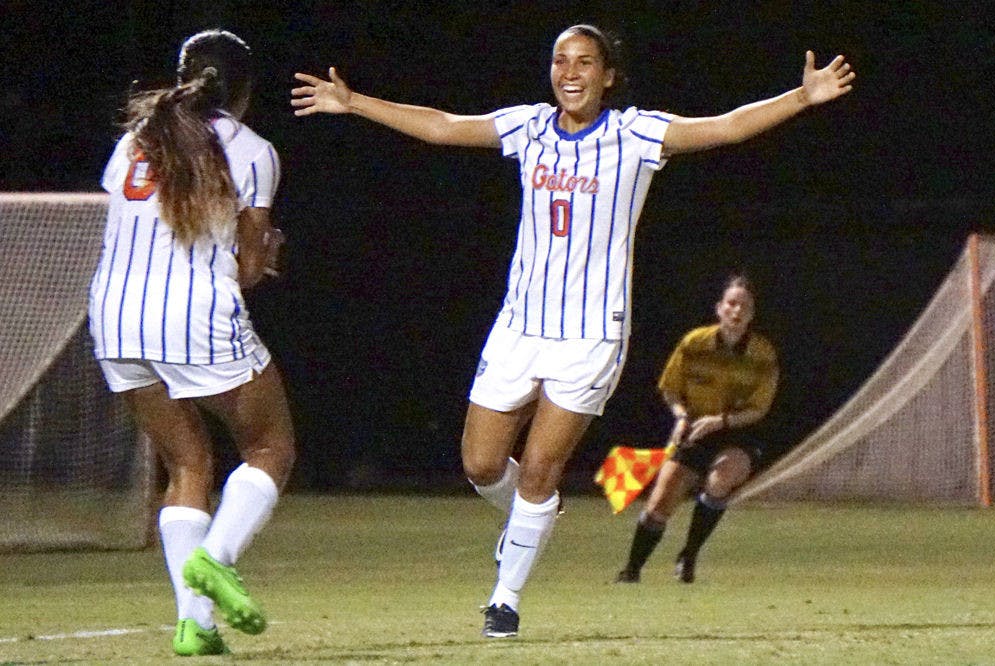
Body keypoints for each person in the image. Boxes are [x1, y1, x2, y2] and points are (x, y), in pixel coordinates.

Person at [291, 24, 852, 638]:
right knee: (480, 465)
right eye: (560, 60)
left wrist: (800, 98)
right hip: (518, 327)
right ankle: (532, 521)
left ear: (608, 75)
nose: (570, 71)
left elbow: (722, 126)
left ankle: (504, 599)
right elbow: (446, 125)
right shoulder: (529, 126)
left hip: (590, 335)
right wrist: (355, 103)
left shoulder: (633, 134)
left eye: (585, 61)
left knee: (538, 468)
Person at [88, 29, 295, 656]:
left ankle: (196, 625)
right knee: (270, 446)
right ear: (246, 91)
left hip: (115, 319)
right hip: (193, 315)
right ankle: (217, 558)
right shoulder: (253, 148)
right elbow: (248, 266)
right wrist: (268, 253)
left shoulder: (134, 140)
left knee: (188, 464)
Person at [616, 275, 778, 584]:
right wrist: (680, 418)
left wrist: (721, 421)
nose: (736, 311)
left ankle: (688, 555)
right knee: (658, 506)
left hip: (736, 431)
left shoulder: (763, 354)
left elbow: (759, 408)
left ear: (752, 315)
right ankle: (631, 571)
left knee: (722, 478)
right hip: (694, 428)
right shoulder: (694, 343)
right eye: (731, 304)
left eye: (744, 306)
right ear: (719, 308)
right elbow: (670, 390)